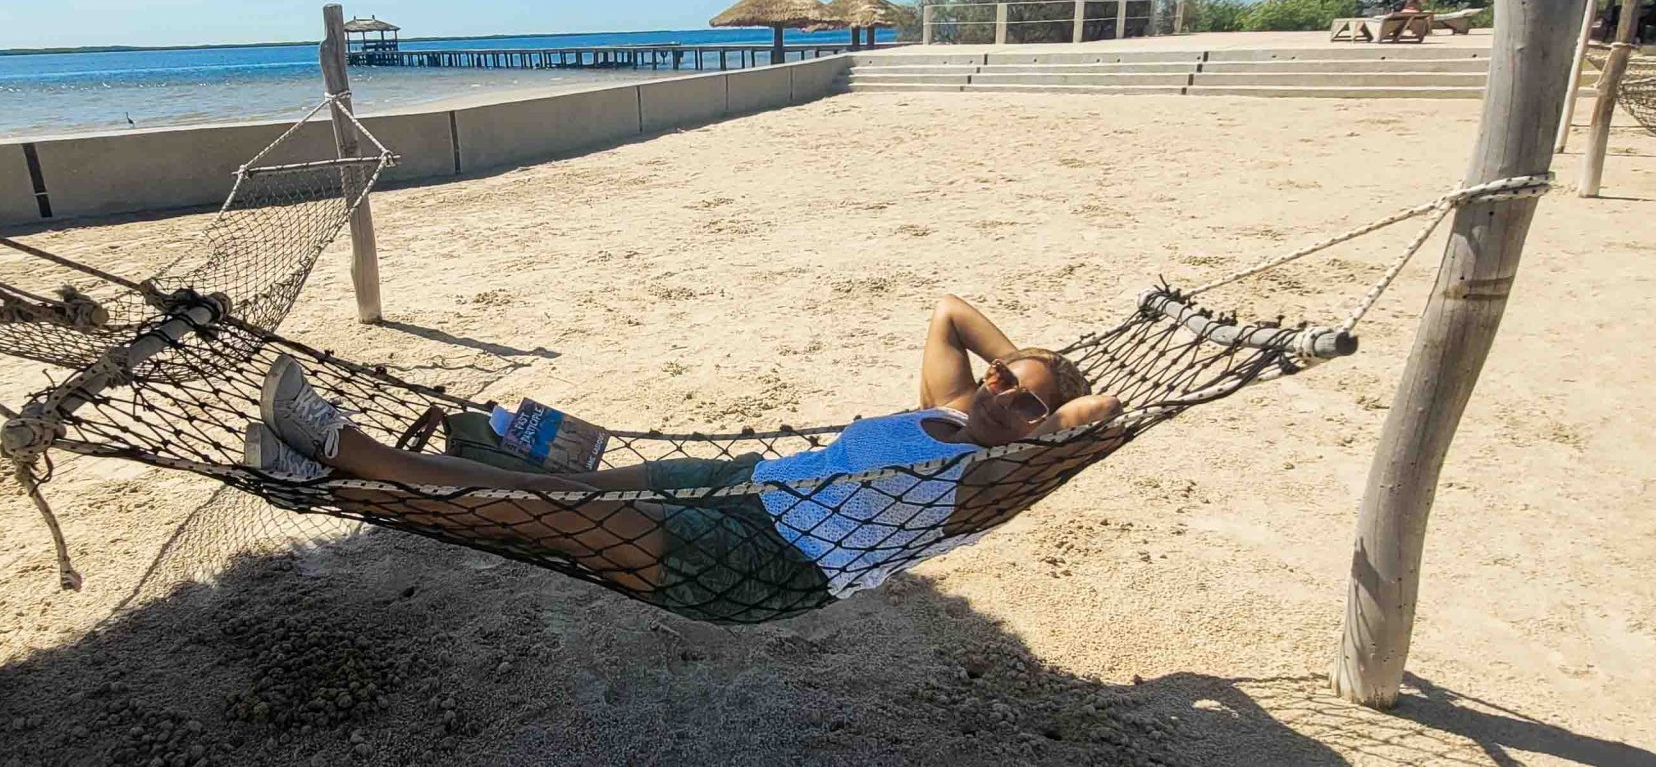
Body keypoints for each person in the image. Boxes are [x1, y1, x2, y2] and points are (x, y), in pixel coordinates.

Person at [244, 294, 1123, 621]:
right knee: (556, 483)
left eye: (1024, 397)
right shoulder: (946, 408)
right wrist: (1022, 367)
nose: (1003, 385)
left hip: (771, 563)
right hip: (750, 485)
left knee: (542, 518)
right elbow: (950, 311)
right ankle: (317, 470)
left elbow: (1103, 408)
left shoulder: (985, 469)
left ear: (1039, 427)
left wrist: (1041, 413)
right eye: (1002, 374)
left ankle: (340, 455)